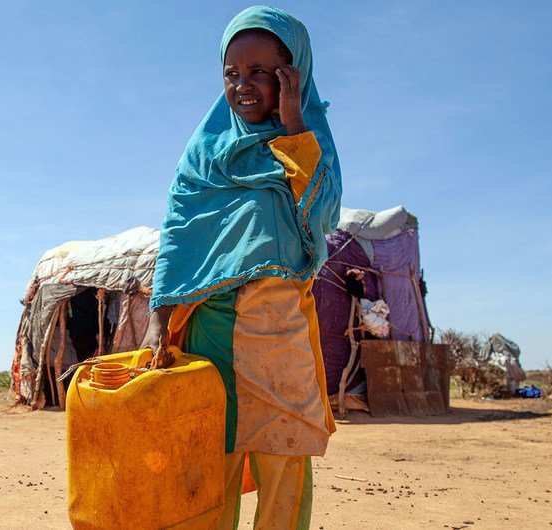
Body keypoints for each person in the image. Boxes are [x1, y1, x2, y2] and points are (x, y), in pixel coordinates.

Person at [140, 6, 341, 529]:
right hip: (209, 329)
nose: (243, 86)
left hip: (278, 327)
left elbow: (320, 213)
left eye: (262, 73)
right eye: (232, 73)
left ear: (292, 73)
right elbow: (179, 236)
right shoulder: (202, 156)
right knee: (210, 464)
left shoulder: (308, 143)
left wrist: (294, 122)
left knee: (284, 456)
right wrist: (159, 319)